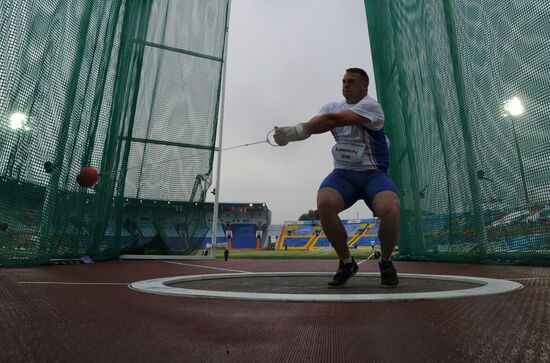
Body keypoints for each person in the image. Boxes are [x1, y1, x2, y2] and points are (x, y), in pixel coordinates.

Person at [274, 68, 400, 287]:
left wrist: (295, 130)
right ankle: (346, 262)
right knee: (324, 202)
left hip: (373, 174)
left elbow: (333, 121)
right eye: (343, 81)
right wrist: (289, 136)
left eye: (351, 81)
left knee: (390, 207)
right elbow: (316, 125)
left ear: (364, 86)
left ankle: (386, 262)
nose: (345, 85)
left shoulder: (371, 107)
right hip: (344, 174)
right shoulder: (332, 106)